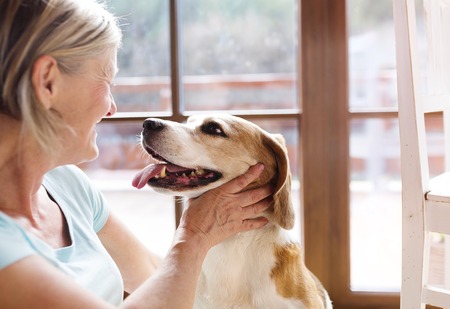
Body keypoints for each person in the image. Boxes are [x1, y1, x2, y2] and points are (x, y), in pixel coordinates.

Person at [0, 0, 273, 308]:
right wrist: (194, 237)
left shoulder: (66, 186)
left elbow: (151, 273)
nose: (111, 107)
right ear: (47, 81)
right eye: (106, 81)